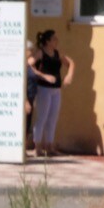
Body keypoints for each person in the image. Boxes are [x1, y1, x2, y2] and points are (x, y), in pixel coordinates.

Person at [29, 29, 74, 157]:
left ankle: (49, 147)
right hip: (44, 89)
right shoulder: (41, 53)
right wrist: (43, 76)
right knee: (42, 118)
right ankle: (37, 147)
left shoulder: (57, 53)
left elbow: (71, 63)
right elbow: (28, 64)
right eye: (54, 39)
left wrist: (69, 75)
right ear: (48, 41)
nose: (56, 41)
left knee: (52, 118)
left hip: (56, 90)